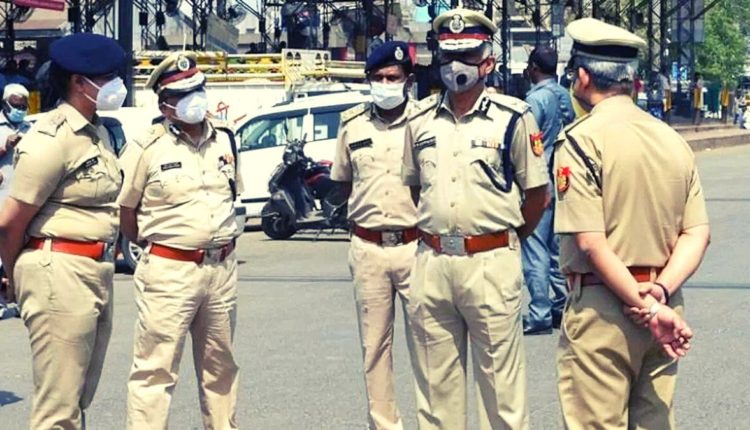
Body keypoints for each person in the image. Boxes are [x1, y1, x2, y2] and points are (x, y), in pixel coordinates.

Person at [554, 18, 709, 428]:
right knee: (654, 421)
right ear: (631, 80)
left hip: (604, 308)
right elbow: (697, 233)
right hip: (664, 303)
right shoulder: (672, 140)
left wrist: (644, 305)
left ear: (583, 77)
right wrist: (659, 295)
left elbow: (591, 243)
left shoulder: (580, 140)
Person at [402, 8, 549, 429]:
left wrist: (504, 238)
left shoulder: (513, 117)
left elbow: (537, 195)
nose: (456, 66)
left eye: (467, 54)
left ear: (488, 61)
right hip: (432, 263)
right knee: (436, 393)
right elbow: (416, 188)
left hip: (490, 262)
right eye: (448, 56)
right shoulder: (419, 120)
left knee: (502, 395)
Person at [0, 33, 126, 429]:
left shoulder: (97, 131)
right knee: (58, 408)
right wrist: (14, 276)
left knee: (77, 396)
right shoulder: (50, 138)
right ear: (78, 82)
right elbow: (10, 221)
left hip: (93, 270)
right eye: (107, 77)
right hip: (58, 271)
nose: (116, 84)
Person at [119, 52, 243, 430]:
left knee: (221, 367)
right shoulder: (146, 147)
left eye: (198, 89)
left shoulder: (225, 139)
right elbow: (126, 212)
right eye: (184, 94)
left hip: (221, 269)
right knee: (155, 371)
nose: (195, 99)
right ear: (165, 105)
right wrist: (163, 248)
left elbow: (231, 196)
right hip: (169, 271)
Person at [331, 40, 419, 430]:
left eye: (393, 77)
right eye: (379, 78)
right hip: (368, 247)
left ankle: (435, 421)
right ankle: (385, 425)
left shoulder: (425, 122)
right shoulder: (352, 124)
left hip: (416, 246)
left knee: (430, 345)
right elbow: (344, 181)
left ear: (407, 80)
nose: (386, 84)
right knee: (375, 348)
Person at [521, 46, 575, 335]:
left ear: (533, 67)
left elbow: (526, 142)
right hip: (563, 178)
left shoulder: (535, 99)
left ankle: (539, 312)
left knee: (534, 247)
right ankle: (562, 304)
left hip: (539, 179)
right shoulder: (564, 95)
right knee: (556, 248)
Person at [0, 83, 31, 320]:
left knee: (21, 256)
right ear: (5, 104)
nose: (19, 110)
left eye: (23, 106)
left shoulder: (31, 129)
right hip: (1, 199)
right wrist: (5, 147)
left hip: (22, 201)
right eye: (15, 105)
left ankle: (21, 300)